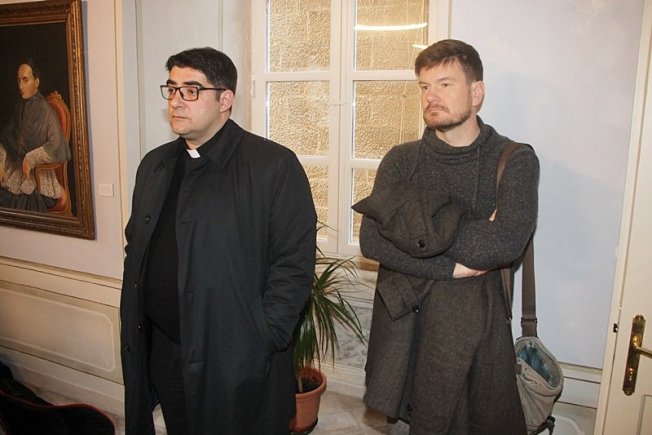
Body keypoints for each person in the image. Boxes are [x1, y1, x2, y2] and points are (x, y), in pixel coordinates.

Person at [120, 47, 317, 434]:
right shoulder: (155, 165)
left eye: (191, 90)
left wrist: (264, 336)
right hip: (166, 349)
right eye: (172, 89)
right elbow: (136, 246)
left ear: (225, 99)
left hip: (235, 356)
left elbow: (294, 264)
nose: (177, 101)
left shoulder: (273, 165)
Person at [356, 39, 539, 434]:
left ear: (477, 92)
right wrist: (452, 266)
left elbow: (504, 244)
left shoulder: (514, 160)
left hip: (473, 335)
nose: (431, 96)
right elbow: (371, 240)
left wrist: (409, 229)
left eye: (444, 84)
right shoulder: (402, 160)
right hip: (403, 331)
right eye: (424, 86)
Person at [0, 60, 70, 211]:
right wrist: (0, 164)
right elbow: (6, 138)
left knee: (21, 204)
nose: (20, 86)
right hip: (14, 173)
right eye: (18, 80)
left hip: (38, 180)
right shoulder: (19, 107)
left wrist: (31, 158)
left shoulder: (46, 111)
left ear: (36, 82)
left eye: (25, 80)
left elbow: (56, 145)